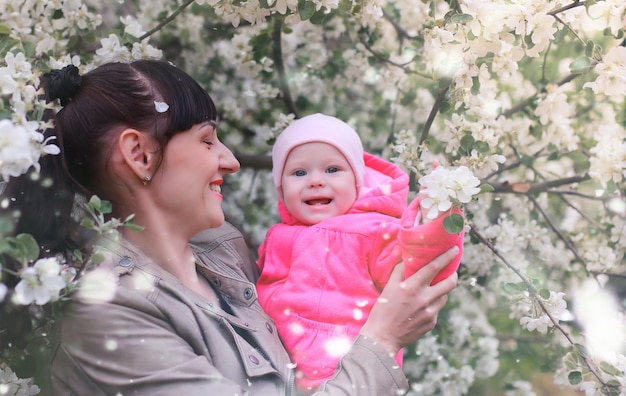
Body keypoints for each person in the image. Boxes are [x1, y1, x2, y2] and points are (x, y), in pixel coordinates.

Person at [2, 60, 459, 395]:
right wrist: (383, 340)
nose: (232, 161)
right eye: (207, 139)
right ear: (140, 155)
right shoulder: (107, 317)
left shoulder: (228, 254)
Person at [256, 113, 464, 393]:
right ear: (281, 189)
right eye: (299, 172)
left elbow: (421, 267)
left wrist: (438, 217)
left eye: (332, 170)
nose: (315, 181)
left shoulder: (372, 230)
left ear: (357, 181)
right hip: (279, 373)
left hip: (349, 372)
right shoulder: (276, 238)